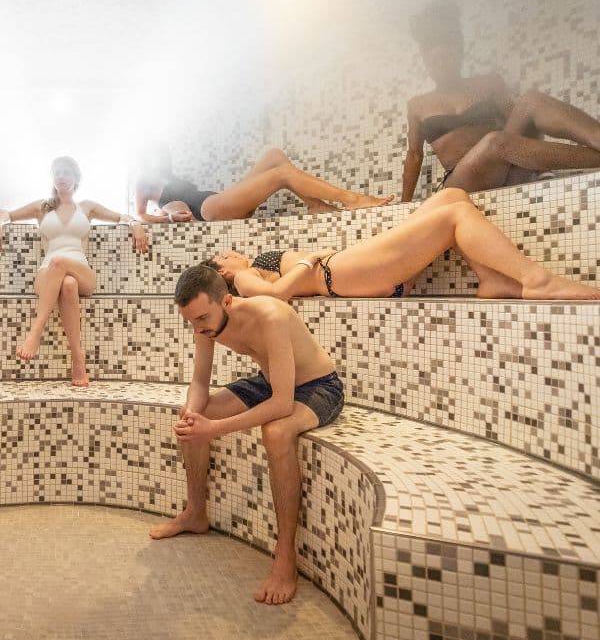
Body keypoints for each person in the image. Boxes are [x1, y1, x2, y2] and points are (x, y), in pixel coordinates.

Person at [149, 264, 345, 605]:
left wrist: (214, 429)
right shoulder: (205, 323)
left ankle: (285, 558)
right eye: (191, 322)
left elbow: (282, 404)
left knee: (276, 433)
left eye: (202, 319)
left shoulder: (269, 315)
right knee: (196, 417)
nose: (197, 328)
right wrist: (194, 414)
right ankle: (196, 513)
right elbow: (199, 382)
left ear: (226, 301)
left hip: (318, 388)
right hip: (272, 382)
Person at [204, 188, 600, 301]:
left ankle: (492, 280)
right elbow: (276, 294)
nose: (231, 254)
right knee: (454, 217)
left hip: (345, 268)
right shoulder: (242, 282)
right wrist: (308, 261)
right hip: (336, 273)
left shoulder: (250, 269)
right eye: (224, 256)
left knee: (452, 197)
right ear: (221, 272)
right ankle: (537, 280)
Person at [402, 0, 600, 200]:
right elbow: (414, 155)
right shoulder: (417, 105)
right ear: (426, 62)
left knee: (531, 100)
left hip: (505, 165)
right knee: (494, 142)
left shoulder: (489, 83)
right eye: (434, 60)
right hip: (462, 181)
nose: (441, 64)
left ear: (459, 53)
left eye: (446, 56)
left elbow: (521, 126)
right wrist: (403, 204)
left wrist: (533, 161)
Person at [0, 156, 149, 386]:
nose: (61, 176)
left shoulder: (87, 207)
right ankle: (78, 358)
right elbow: (5, 214)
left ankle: (35, 332)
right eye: (57, 172)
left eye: (66, 172)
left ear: (76, 178)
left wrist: (135, 225)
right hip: (47, 273)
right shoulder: (42, 206)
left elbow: (121, 216)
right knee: (67, 284)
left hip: (81, 270)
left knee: (61, 264)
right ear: (52, 177)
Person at [134, 146, 393, 223]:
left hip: (217, 200)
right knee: (281, 175)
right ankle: (355, 200)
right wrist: (169, 217)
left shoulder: (170, 175)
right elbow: (142, 215)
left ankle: (316, 206)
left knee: (274, 156)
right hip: (209, 210)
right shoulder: (143, 182)